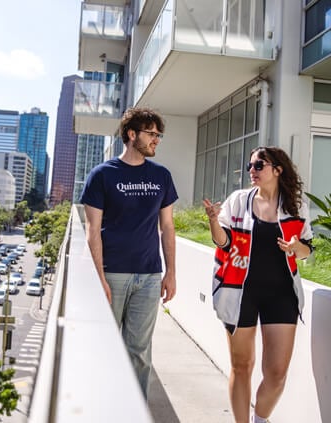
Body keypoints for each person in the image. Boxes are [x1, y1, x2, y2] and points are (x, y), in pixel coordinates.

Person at [203, 146, 313, 423]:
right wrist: (214, 222)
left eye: (259, 165)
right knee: (242, 366)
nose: (252, 170)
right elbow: (223, 242)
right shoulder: (238, 200)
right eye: (250, 165)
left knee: (276, 373)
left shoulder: (296, 208)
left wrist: (295, 246)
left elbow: (307, 251)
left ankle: (260, 419)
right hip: (240, 291)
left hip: (281, 295)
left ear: (278, 170)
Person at [80, 107, 178, 397]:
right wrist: (99, 277)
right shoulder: (102, 175)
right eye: (151, 134)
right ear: (131, 134)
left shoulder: (161, 175)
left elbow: (168, 227)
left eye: (159, 135)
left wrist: (171, 272)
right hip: (112, 274)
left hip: (149, 276)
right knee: (105, 347)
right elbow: (92, 230)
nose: (156, 140)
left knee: (139, 353)